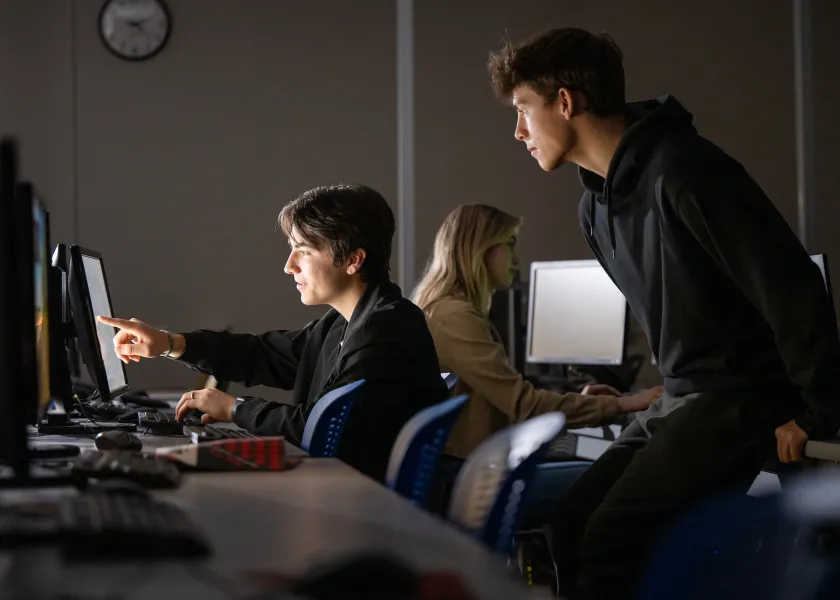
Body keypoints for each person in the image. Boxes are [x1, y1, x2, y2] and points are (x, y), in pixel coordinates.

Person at [487, 27, 840, 599]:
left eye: (524, 109)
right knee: (572, 521)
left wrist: (820, 407)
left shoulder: (686, 170)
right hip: (684, 399)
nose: (519, 131)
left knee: (612, 536)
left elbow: (793, 286)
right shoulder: (594, 208)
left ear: (566, 102)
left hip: (739, 396)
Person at [98, 184, 449, 483]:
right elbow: (261, 354)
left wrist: (234, 409)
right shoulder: (343, 322)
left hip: (370, 512)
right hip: (343, 491)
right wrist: (168, 343)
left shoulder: (387, 329)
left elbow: (320, 427)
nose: (289, 265)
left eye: (304, 251)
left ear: (353, 260)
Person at [412, 203, 662, 460]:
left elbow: (508, 407)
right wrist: (625, 403)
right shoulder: (455, 318)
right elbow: (525, 406)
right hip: (468, 478)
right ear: (480, 249)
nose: (517, 259)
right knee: (608, 474)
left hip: (475, 464)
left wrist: (580, 402)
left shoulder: (445, 311)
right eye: (509, 244)